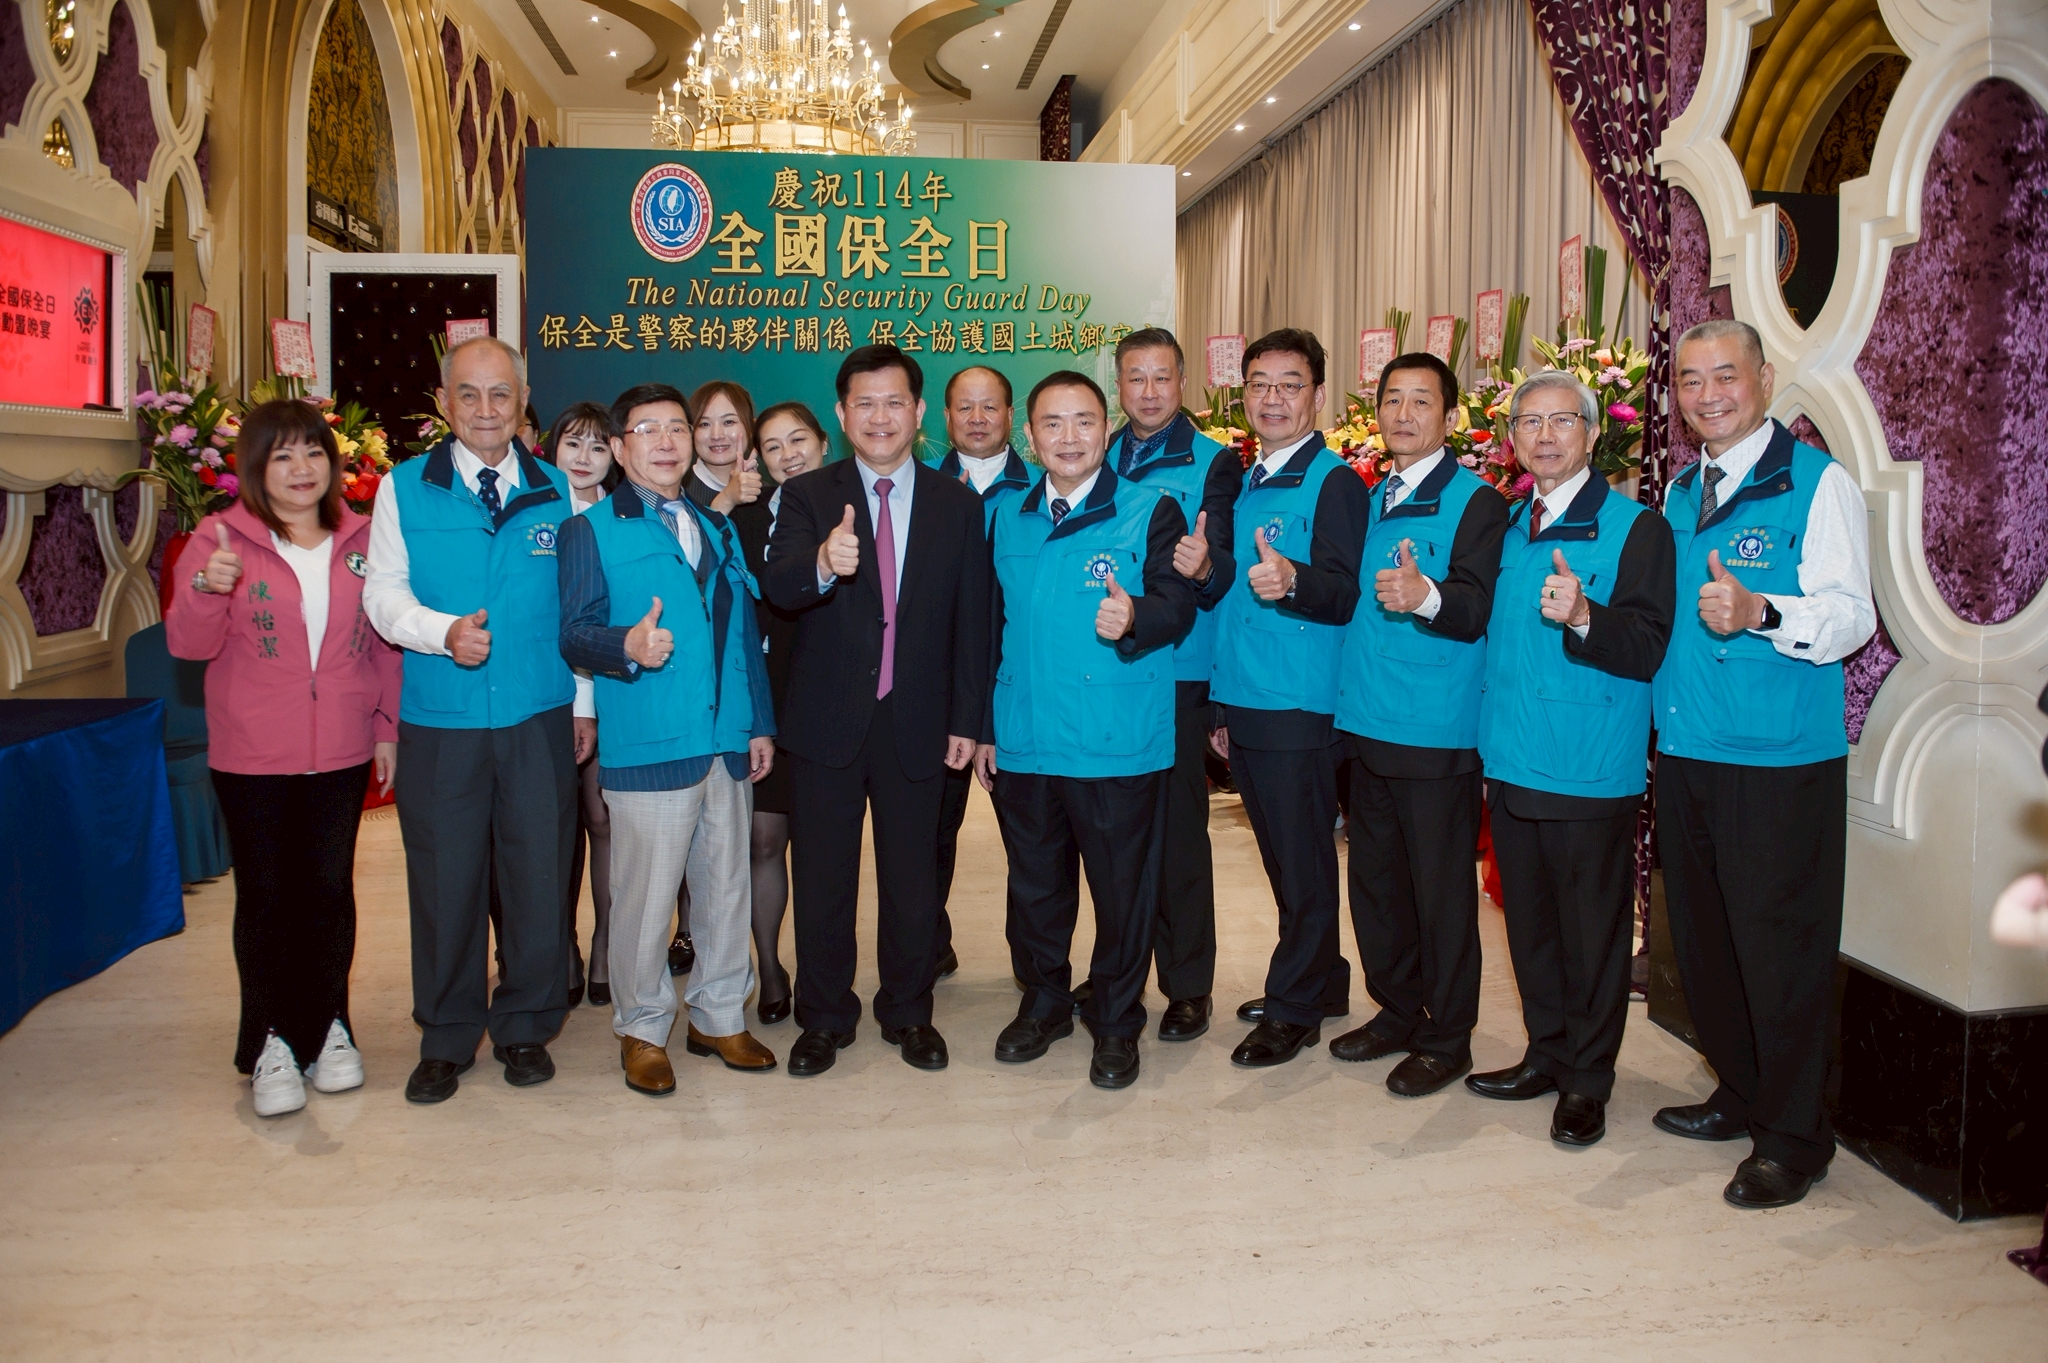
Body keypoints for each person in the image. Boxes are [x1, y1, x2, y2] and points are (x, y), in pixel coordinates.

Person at [1653, 317, 1875, 1208]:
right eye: (1691, 380)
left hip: (1779, 762)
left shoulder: (1817, 484)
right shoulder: (1680, 490)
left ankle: (1794, 1137)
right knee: (1708, 944)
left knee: (1781, 954)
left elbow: (1851, 615)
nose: (1708, 395)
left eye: (1725, 376)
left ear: (1764, 377)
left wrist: (1763, 613)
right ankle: (1741, 1092)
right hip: (1688, 749)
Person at [167, 398, 401, 1117]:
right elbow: (187, 645)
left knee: (329, 892)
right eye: (283, 455)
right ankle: (268, 1040)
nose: (302, 469)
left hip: (341, 748)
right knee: (267, 898)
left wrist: (387, 726)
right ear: (255, 468)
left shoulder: (363, 538)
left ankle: (329, 1028)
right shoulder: (221, 539)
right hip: (252, 754)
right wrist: (207, 590)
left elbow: (385, 643)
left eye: (313, 452)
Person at [762, 344, 991, 1077]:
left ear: (920, 412)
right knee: (823, 878)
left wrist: (969, 719)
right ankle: (824, 1017)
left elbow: (975, 621)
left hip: (918, 719)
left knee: (913, 880)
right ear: (842, 413)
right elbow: (781, 585)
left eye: (895, 402)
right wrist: (823, 562)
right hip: (826, 721)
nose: (880, 417)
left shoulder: (959, 503)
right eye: (864, 403)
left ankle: (908, 1011)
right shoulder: (807, 495)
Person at [363, 335, 578, 1104]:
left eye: (500, 393)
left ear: (523, 402)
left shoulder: (559, 489)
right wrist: (440, 631)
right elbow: (381, 593)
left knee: (537, 875)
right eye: (468, 393)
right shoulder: (403, 488)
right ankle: (447, 1033)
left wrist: (584, 706)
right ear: (443, 402)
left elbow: (580, 608)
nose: (486, 409)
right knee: (444, 879)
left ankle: (526, 1024)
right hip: (442, 718)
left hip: (537, 714)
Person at [1469, 371, 1674, 1144]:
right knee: (1529, 927)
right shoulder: (1508, 527)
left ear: (1592, 434)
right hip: (1511, 759)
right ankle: (1547, 1052)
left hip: (1587, 766)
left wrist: (1587, 613)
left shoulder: (1635, 528)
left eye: (1563, 420)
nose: (1546, 435)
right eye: (1530, 422)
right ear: (1512, 440)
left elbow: (1647, 645)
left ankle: (1589, 1078)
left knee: (1591, 936)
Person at [974, 371, 1195, 1088]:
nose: (1069, 438)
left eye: (1084, 422)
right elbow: (989, 627)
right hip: (1027, 737)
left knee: (1122, 891)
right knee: (1036, 886)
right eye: (1052, 424)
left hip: (1114, 739)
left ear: (1106, 430)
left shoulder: (1150, 509)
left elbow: (1177, 603)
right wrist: (983, 727)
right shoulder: (1007, 516)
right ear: (1029, 435)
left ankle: (1117, 1019)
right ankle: (1044, 1001)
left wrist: (1136, 616)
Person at [557, 383, 778, 1095]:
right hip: (651, 741)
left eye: (676, 428)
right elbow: (574, 633)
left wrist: (760, 722)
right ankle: (643, 1028)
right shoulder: (592, 529)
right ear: (620, 449)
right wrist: (626, 644)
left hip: (725, 739)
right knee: (647, 899)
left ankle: (718, 1015)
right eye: (647, 430)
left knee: (725, 888)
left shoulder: (717, 525)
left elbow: (742, 632)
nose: (666, 441)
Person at [1326, 352, 1508, 1096]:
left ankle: (1447, 1035)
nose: (1403, 414)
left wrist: (1425, 593)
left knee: (1439, 893)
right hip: (1366, 722)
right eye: (1392, 400)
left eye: (1421, 401)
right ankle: (1397, 1009)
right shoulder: (1375, 496)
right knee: (1375, 883)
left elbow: (1475, 606)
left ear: (1451, 416)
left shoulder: (1477, 502)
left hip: (1434, 730)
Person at [1209, 329, 1372, 1067]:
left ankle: (1295, 1007)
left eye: (1290, 384)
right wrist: (1222, 707)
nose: (1273, 399)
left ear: (1318, 395)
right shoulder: (1253, 478)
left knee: (1301, 861)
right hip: (1248, 694)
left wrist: (1295, 580)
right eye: (1260, 385)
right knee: (1281, 854)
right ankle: (1323, 980)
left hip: (1298, 702)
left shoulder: (1333, 483)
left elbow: (1345, 591)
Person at [1102, 327, 1240, 1042]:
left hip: (1179, 671)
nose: (1149, 391)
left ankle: (1187, 985)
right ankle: (1117, 970)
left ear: (1183, 383)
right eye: (1136, 377)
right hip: (1111, 667)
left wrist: (1203, 568)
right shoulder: (1097, 452)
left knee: (1179, 835)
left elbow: (1224, 570)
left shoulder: (1214, 461)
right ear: (1118, 385)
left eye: (1162, 377)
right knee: (1113, 834)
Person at [929, 364, 1032, 978]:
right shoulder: (918, 489)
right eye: (964, 407)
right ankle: (928, 946)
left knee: (1031, 842)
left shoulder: (1042, 490)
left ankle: (1033, 966)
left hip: (1020, 691)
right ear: (944, 418)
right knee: (928, 837)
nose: (977, 418)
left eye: (989, 406)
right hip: (939, 697)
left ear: (1010, 417)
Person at [734, 399, 834, 1024]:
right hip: (765, 698)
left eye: (797, 440)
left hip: (830, 703)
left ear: (825, 441)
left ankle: (825, 974)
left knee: (823, 849)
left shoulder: (856, 511)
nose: (787, 455)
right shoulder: (743, 520)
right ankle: (770, 966)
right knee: (765, 839)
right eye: (772, 447)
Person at [545, 401, 622, 1007]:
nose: (584, 458)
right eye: (573, 443)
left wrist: (589, 702)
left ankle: (605, 946)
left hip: (605, 694)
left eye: (598, 446)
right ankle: (559, 945)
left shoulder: (620, 517)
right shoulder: (537, 514)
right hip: (543, 697)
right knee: (552, 831)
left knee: (602, 822)